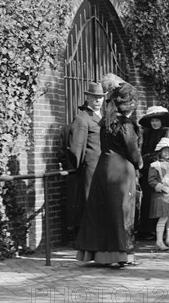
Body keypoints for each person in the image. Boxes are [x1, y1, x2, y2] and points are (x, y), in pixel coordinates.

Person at [75, 83, 143, 267]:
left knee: (101, 210)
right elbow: (132, 151)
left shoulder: (105, 121)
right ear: (131, 106)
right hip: (121, 170)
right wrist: (140, 164)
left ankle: (99, 255)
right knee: (122, 211)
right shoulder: (126, 124)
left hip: (103, 167)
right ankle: (123, 255)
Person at [67, 82, 105, 228]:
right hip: (91, 167)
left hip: (104, 166)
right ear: (87, 98)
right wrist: (80, 167)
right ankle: (89, 237)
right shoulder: (82, 118)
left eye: (100, 97)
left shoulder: (103, 117)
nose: (97, 100)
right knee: (90, 201)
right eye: (94, 97)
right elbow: (76, 147)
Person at [136, 106, 169, 240]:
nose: (154, 123)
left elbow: (165, 153)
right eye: (152, 121)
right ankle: (146, 228)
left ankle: (156, 230)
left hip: (161, 171)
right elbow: (141, 150)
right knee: (147, 199)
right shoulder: (146, 133)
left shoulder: (167, 133)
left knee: (159, 200)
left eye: (157, 121)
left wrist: (147, 158)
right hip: (147, 170)